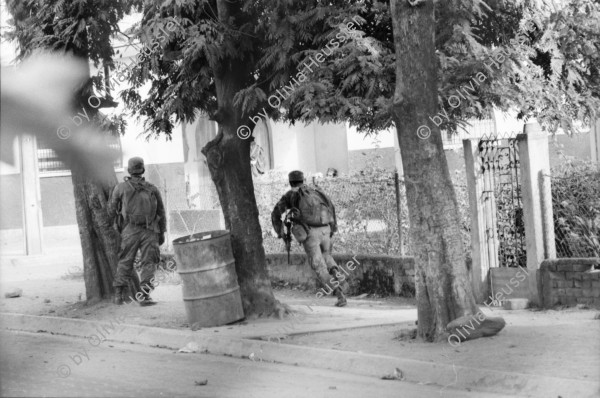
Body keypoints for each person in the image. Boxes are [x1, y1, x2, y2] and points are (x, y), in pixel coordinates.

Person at [271, 170, 347, 307]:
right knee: (327, 256)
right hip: (326, 229)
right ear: (303, 180)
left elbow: (275, 213)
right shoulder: (317, 192)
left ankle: (339, 293)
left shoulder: (291, 195)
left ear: (290, 182)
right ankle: (336, 272)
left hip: (310, 233)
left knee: (319, 266)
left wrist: (281, 233)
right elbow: (331, 207)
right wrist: (333, 228)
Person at [108, 157, 166, 306]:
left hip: (129, 230)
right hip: (150, 230)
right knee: (149, 263)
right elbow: (161, 212)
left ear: (129, 170)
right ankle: (144, 296)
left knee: (125, 261)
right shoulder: (152, 188)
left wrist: (115, 226)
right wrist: (162, 232)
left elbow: (111, 210)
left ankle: (118, 296)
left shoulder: (120, 188)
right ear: (143, 170)